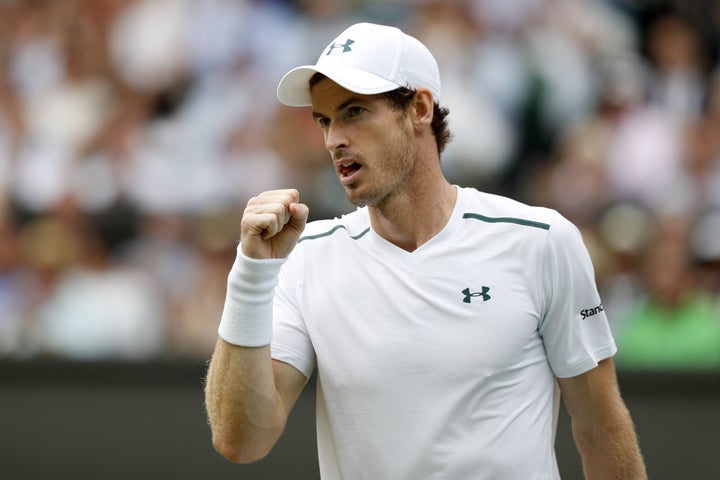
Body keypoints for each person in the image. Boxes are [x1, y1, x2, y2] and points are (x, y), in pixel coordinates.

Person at [204, 22, 647, 479]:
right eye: (325, 119)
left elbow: (600, 428)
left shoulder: (540, 240)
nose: (334, 138)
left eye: (354, 111)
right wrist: (251, 273)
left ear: (419, 108)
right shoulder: (305, 257)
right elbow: (241, 440)